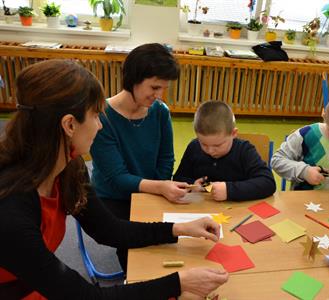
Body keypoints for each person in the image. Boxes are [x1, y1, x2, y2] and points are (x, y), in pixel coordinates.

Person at [0, 59, 228, 299]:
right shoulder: (11, 211)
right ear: (69, 124)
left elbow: (110, 230)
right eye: (96, 115)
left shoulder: (69, 166)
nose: (100, 126)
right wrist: (178, 283)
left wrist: (179, 229)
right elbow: (85, 297)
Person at [90, 43, 190, 271]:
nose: (159, 95)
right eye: (154, 87)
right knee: (135, 249)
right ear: (133, 79)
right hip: (113, 198)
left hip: (152, 190)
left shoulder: (160, 112)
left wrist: (160, 187)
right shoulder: (102, 118)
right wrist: (160, 188)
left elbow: (166, 159)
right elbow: (117, 178)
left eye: (163, 88)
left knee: (173, 242)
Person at [173, 100, 276, 201]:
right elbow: (179, 179)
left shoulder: (244, 151)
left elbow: (268, 183)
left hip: (238, 211)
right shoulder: (194, 147)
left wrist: (229, 190)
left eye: (217, 145)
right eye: (204, 144)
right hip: (203, 209)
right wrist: (196, 185)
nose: (210, 151)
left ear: (233, 134)